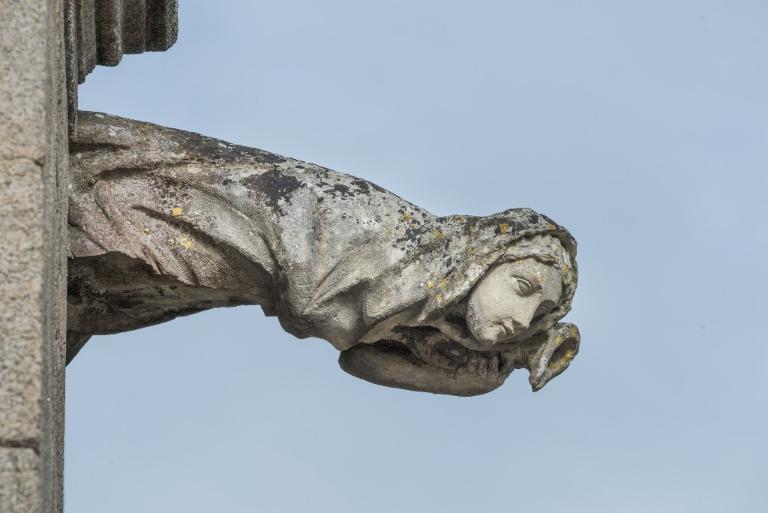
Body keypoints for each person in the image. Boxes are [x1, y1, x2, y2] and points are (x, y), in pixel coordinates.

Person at [67, 112, 579, 396]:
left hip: (218, 281)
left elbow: (360, 362)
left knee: (93, 296)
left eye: (537, 313)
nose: (521, 317)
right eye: (523, 287)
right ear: (483, 258)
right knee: (108, 213)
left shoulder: (429, 323)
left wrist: (468, 380)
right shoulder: (385, 236)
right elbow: (309, 290)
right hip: (204, 219)